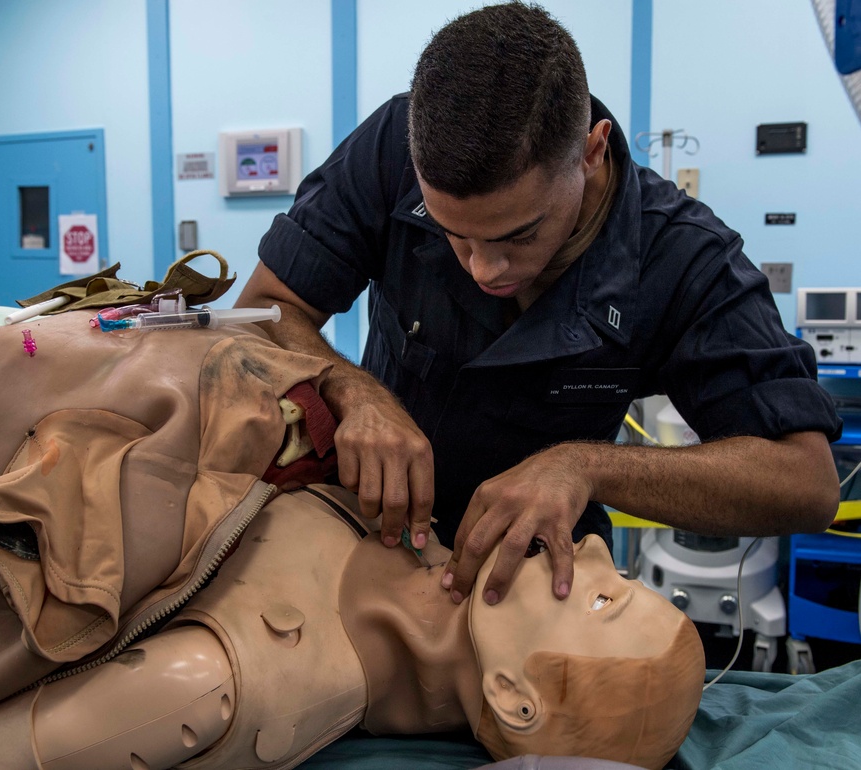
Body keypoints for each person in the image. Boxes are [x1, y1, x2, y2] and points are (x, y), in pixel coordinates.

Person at [234, 2, 843, 606]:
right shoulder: (391, 149)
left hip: (531, 581)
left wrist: (584, 468)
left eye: (519, 235)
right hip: (363, 544)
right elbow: (266, 307)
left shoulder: (682, 257)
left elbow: (806, 483)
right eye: (455, 234)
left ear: (592, 151)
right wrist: (349, 388)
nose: (483, 268)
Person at [0, 477, 706, 770]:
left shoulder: (216, 687)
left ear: (512, 697)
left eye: (603, 599)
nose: (591, 550)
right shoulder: (411, 522)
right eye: (617, 571)